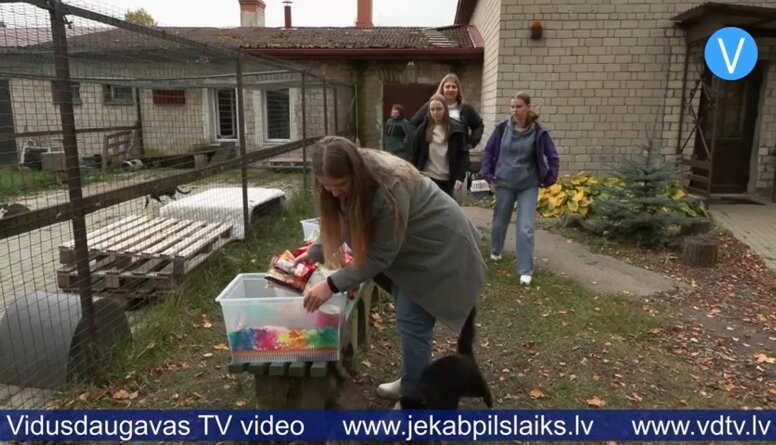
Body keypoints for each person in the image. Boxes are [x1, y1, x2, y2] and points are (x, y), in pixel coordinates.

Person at [294, 135, 486, 405]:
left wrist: (330, 285)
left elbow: (380, 255)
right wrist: (312, 253)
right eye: (327, 187)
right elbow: (342, 222)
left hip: (440, 249)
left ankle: (412, 400)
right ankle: (412, 378)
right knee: (408, 314)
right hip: (410, 253)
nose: (334, 193)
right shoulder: (348, 182)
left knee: (412, 321)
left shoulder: (388, 187)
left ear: (355, 173)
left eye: (340, 186)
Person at [480, 91, 559, 286]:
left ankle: (525, 270)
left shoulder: (539, 132)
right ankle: (496, 250)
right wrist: (488, 172)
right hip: (504, 183)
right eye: (512, 106)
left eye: (519, 106)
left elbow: (552, 156)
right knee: (499, 221)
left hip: (528, 185)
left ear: (528, 107)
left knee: (525, 227)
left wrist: (549, 178)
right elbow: (489, 151)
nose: (515, 110)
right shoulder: (501, 129)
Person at [409, 73, 484, 189]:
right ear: (442, 88)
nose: (450, 89)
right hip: (433, 161)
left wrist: (471, 142)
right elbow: (413, 124)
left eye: (454, 87)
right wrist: (419, 141)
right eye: (447, 86)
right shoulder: (431, 105)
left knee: (454, 200)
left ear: (458, 90)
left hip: (456, 157)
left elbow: (478, 125)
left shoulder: (465, 109)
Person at [408, 94, 467, 197]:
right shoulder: (423, 129)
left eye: (439, 109)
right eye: (432, 109)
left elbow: (462, 155)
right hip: (427, 177)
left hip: (447, 179)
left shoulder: (456, 129)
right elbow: (414, 153)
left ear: (445, 109)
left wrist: (460, 177)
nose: (435, 113)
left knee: (445, 210)